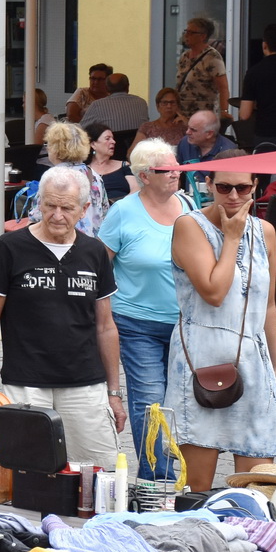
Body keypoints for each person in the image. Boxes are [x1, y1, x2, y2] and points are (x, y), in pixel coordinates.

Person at [0, 165, 126, 471]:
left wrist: (113, 392)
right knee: (28, 471)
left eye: (67, 208)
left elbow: (105, 326)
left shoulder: (94, 252)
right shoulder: (10, 247)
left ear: (84, 209)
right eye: (50, 206)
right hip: (26, 383)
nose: (57, 215)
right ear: (39, 204)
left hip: (85, 383)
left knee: (98, 472)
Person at [169, 162, 276, 490]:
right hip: (200, 355)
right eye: (223, 188)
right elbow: (214, 292)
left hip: (252, 353)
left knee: (258, 481)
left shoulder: (266, 232)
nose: (233, 196)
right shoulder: (189, 226)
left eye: (243, 188)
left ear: (255, 186)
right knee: (198, 488)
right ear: (208, 184)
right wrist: (232, 237)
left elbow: (268, 305)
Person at [98, 140, 189, 481]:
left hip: (184, 325)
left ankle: (181, 475)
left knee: (180, 404)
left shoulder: (188, 205)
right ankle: (157, 482)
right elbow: (100, 267)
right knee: (150, 402)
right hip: (136, 323)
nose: (176, 173)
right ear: (145, 176)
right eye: (167, 169)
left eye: (176, 166)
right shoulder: (123, 211)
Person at [28, 122, 108, 236]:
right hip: (89, 245)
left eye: (48, 144)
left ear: (55, 148)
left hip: (61, 241)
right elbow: (104, 214)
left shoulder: (53, 177)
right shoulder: (94, 175)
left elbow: (36, 217)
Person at [176, 16, 230, 119]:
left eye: (191, 32)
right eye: (186, 31)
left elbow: (223, 87)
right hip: (182, 115)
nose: (186, 35)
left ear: (203, 36)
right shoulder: (185, 56)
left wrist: (224, 111)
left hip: (204, 115)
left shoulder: (212, 57)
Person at [80, 74, 151, 133]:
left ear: (107, 88)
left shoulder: (97, 105)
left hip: (111, 147)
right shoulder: (141, 102)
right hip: (136, 147)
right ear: (128, 86)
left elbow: (81, 129)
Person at [84, 123, 132, 201]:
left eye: (113, 138)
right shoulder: (85, 171)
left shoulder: (124, 165)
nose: (113, 142)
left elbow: (136, 189)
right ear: (93, 144)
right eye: (107, 138)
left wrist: (118, 206)